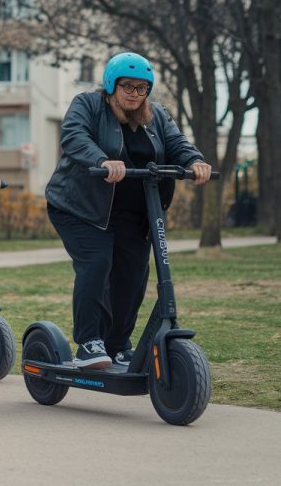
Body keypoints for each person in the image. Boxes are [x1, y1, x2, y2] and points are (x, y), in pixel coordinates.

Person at [44, 52, 212, 369]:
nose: (135, 94)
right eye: (128, 87)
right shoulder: (88, 105)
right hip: (82, 209)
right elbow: (74, 136)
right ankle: (89, 342)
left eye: (141, 88)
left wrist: (194, 161)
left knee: (133, 277)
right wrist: (101, 161)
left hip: (134, 215)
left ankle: (118, 343)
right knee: (97, 263)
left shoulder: (156, 115)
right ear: (111, 85)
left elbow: (175, 143)